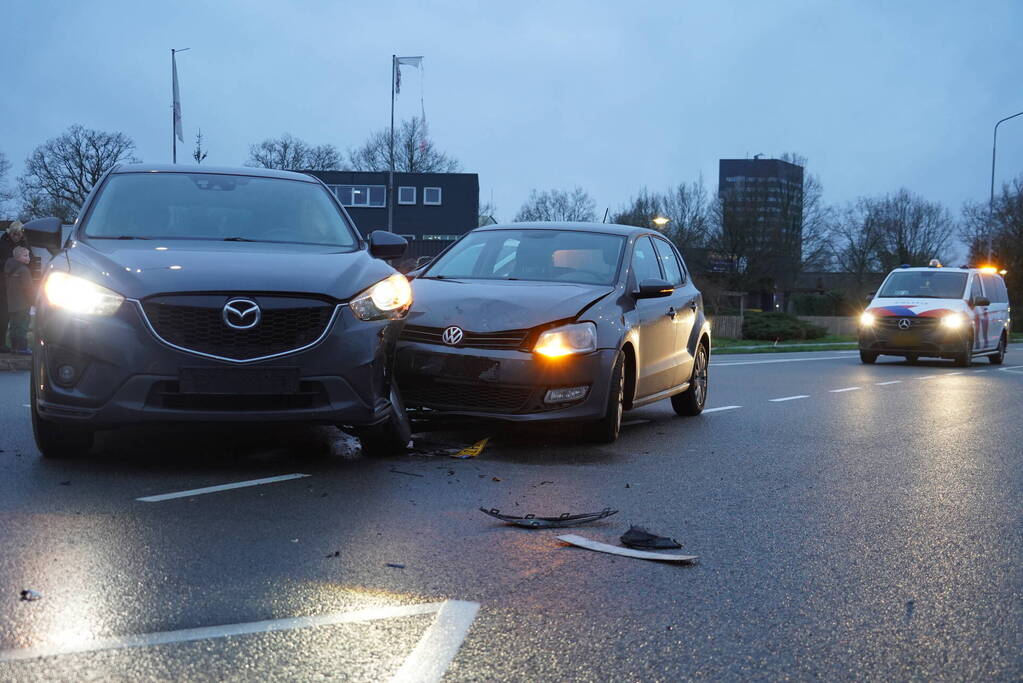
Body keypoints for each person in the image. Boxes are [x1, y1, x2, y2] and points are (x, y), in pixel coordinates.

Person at [0, 221, 29, 352]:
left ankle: (16, 346)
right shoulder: (3, 243)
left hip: (16, 284)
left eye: (19, 234)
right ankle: (4, 344)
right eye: (14, 234)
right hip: (4, 283)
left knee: (17, 317)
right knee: (4, 315)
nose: (16, 237)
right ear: (9, 233)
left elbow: (31, 259)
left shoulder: (24, 244)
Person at [4, 245, 35, 355]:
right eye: (25, 255)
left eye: (28, 255)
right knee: (22, 325)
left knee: (14, 326)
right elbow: (28, 288)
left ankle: (14, 347)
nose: (28, 257)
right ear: (18, 257)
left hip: (12, 303)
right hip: (23, 303)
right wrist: (33, 300)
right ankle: (22, 348)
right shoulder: (24, 270)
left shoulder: (8, 269)